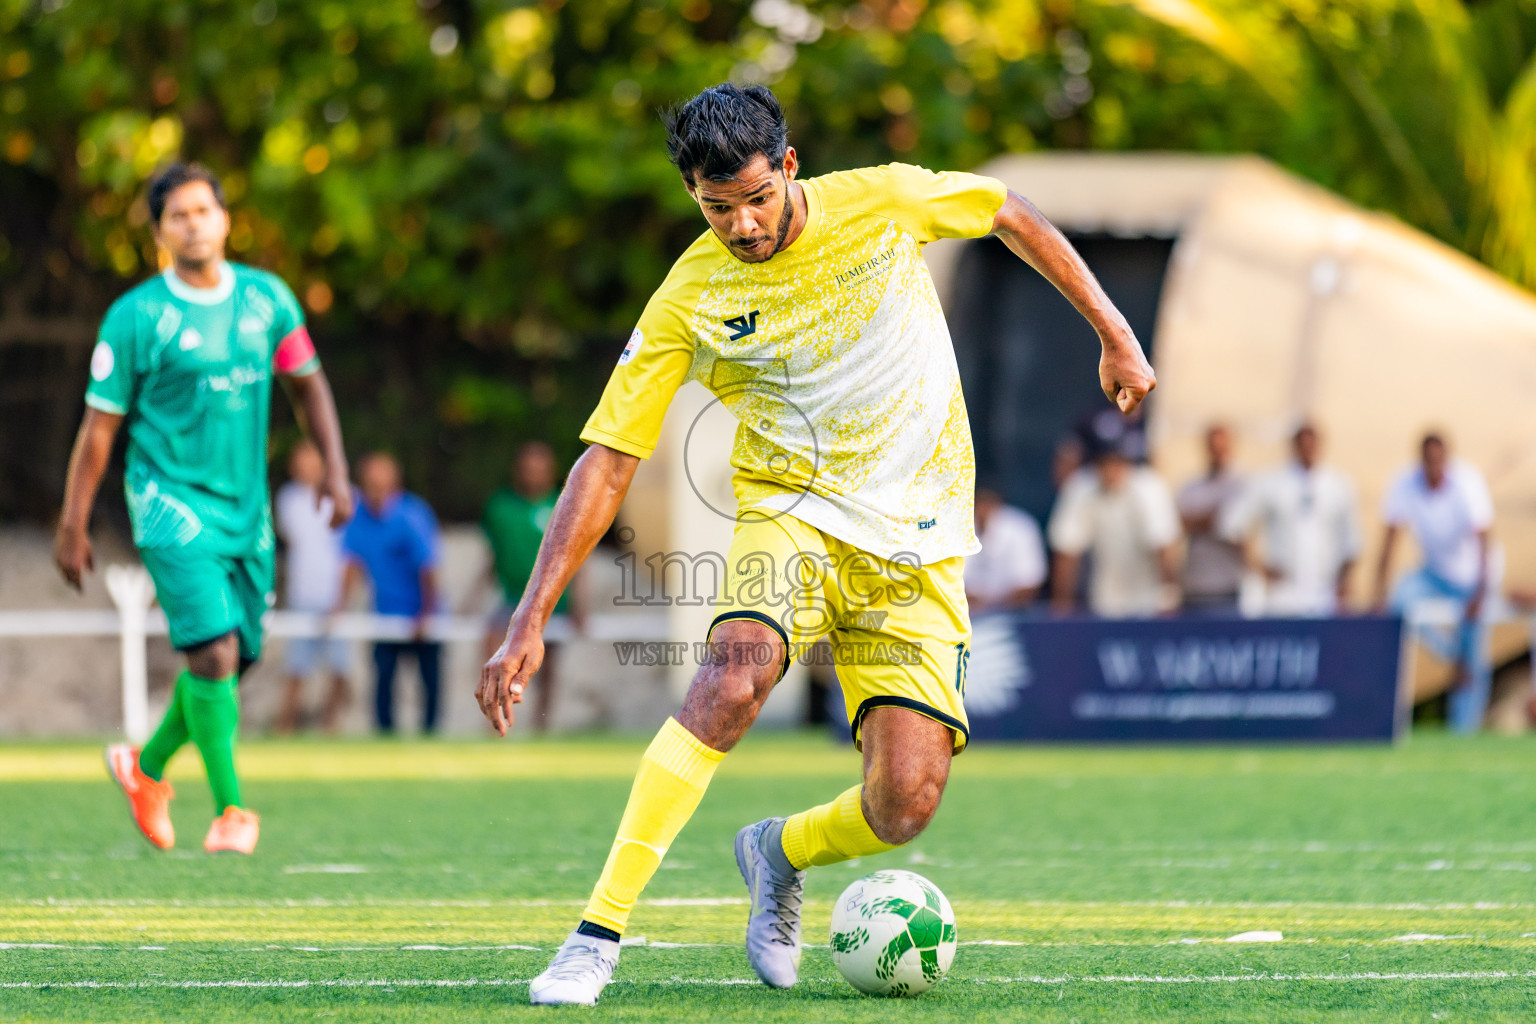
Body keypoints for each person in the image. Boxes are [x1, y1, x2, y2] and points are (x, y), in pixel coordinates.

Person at [475, 83, 1155, 1005]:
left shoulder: (882, 200)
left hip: (916, 546)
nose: (744, 225)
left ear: (788, 166)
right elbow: (607, 459)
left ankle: (776, 851)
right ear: (693, 197)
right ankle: (596, 936)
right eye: (718, 209)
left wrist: (1113, 331)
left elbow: (1005, 209)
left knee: (904, 803)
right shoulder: (690, 296)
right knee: (731, 680)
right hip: (791, 517)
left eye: (756, 197)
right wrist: (531, 616)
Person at [54, 162, 351, 855]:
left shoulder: (267, 299)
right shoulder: (136, 317)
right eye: (176, 215)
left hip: (244, 515)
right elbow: (98, 429)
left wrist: (335, 469)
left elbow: (308, 387)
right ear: (159, 233)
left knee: (234, 658)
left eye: (202, 210)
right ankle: (233, 811)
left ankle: (145, 766)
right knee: (213, 654)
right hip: (166, 504)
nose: (192, 223)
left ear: (225, 218)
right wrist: (73, 521)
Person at [1374, 433, 1498, 733]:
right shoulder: (1405, 483)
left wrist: (1482, 590)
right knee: (1399, 602)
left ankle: (1463, 733)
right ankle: (1453, 654)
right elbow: (1390, 540)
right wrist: (1378, 594)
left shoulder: (1467, 482)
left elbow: (1485, 539)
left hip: (1472, 575)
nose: (1433, 465)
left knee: (1474, 652)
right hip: (1433, 573)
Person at [477, 442, 584, 732]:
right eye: (528, 469)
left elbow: (577, 557)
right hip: (512, 599)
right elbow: (493, 557)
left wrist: (579, 604)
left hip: (554, 602)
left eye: (540, 470)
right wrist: (472, 597)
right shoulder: (500, 507)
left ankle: (541, 726)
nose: (534, 476)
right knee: (493, 651)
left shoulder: (563, 505)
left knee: (547, 669)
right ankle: (495, 722)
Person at [336, 452, 443, 735]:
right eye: (369, 482)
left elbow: (428, 569)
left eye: (380, 482)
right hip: (385, 612)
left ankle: (431, 735)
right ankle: (385, 737)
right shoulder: (358, 516)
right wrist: (339, 607)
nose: (375, 489)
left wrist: (427, 613)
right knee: (383, 679)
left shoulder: (413, 515)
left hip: (420, 611)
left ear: (395, 483)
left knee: (429, 680)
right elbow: (352, 565)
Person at [1221, 423, 1360, 616]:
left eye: (1313, 443)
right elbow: (1233, 525)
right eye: (1303, 443)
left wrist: (1344, 583)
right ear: (1294, 446)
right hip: (1283, 592)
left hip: (1325, 592)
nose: (1308, 449)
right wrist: (1259, 567)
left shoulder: (1338, 485)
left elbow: (1351, 542)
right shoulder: (1272, 482)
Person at [1048, 433, 1181, 617]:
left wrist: (1168, 597)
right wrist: (1061, 605)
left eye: (1117, 463)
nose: (1111, 470)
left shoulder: (1149, 488)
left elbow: (1163, 547)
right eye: (1104, 464)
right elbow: (1067, 550)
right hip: (1103, 600)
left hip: (1148, 600)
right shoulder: (1081, 488)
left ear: (1129, 464)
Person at [273, 438, 352, 733]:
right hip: (302, 595)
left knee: (340, 670)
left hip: (335, 595)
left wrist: (342, 598)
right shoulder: (289, 498)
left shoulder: (344, 495)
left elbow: (349, 553)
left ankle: (330, 727)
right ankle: (285, 727)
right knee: (296, 668)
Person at [1175, 423, 1245, 614]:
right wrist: (1210, 519)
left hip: (1226, 586)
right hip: (1194, 586)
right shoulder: (1191, 486)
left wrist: (1201, 520)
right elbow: (1180, 522)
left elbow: (1231, 526)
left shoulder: (1241, 484)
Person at [964, 487, 1046, 614]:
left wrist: (992, 604)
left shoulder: (1020, 527)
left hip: (1015, 615)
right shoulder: (960, 526)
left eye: (988, 503)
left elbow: (1030, 584)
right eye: (979, 503)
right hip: (966, 612)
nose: (983, 509)